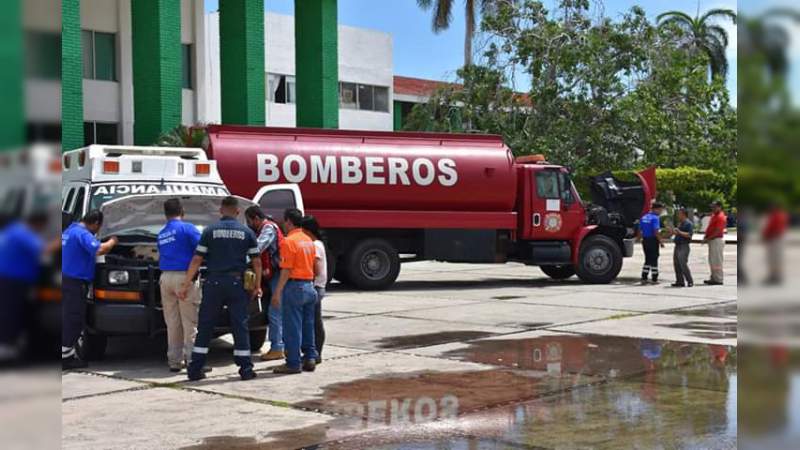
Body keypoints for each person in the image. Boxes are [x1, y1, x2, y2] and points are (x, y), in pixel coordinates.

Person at [179, 197, 261, 381]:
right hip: (237, 284)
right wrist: (257, 286)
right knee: (240, 325)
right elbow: (256, 262)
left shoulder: (209, 231)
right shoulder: (247, 232)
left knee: (205, 325)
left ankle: (195, 369)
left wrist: (186, 283)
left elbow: (197, 259)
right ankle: (246, 369)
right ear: (238, 212)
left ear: (221, 211)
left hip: (213, 283)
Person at [61, 211, 118, 370]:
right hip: (74, 282)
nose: (97, 231)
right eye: (98, 228)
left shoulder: (69, 230)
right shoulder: (82, 234)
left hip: (66, 279)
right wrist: (113, 240)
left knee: (69, 317)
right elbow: (99, 249)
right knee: (74, 319)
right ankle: (65, 357)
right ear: (95, 223)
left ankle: (67, 354)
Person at [0, 212, 58, 362]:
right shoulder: (24, 233)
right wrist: (60, 241)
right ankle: (6, 346)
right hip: (13, 280)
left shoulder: (12, 229)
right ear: (38, 224)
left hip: (7, 278)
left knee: (8, 311)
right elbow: (43, 250)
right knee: (11, 312)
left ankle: (9, 344)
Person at [157, 198, 202, 372]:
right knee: (189, 321)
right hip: (184, 278)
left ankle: (175, 361)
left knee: (173, 322)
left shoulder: (162, 233)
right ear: (182, 211)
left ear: (165, 214)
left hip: (165, 278)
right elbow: (201, 252)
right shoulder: (188, 228)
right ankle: (193, 360)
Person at [271, 208, 318, 374]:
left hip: (294, 287)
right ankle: (310, 357)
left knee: (292, 328)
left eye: (284, 221)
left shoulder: (288, 241)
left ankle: (293, 363)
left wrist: (277, 292)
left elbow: (286, 270)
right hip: (309, 286)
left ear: (289, 222)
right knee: (308, 325)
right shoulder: (308, 240)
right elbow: (315, 266)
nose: (283, 224)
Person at [244, 206, 285, 361]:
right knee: (275, 311)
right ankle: (281, 346)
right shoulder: (264, 228)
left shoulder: (268, 229)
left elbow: (258, 248)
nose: (249, 225)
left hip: (278, 274)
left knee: (275, 311)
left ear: (256, 218)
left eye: (249, 221)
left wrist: (240, 261)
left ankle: (277, 348)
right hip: (273, 274)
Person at [301, 215, 327, 364]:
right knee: (314, 320)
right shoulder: (318, 243)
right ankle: (315, 351)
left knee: (313, 321)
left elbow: (315, 267)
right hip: (318, 286)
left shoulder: (315, 245)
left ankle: (316, 352)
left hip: (315, 286)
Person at [638, 202, 665, 284]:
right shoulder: (655, 218)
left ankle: (644, 276)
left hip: (645, 240)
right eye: (660, 210)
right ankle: (654, 278)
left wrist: (639, 238)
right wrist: (661, 241)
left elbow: (639, 230)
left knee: (647, 259)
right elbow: (656, 231)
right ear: (656, 209)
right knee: (654, 258)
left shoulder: (644, 217)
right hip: (653, 240)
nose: (661, 212)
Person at [762, 203, 789, 285]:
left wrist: (767, 235)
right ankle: (775, 276)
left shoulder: (777, 215)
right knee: (774, 259)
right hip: (775, 238)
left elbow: (774, 228)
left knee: (774, 259)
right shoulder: (777, 215)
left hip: (775, 238)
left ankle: (775, 277)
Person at [703, 201, 727, 285]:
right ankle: (713, 277)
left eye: (714, 207)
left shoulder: (720, 217)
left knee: (717, 261)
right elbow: (710, 228)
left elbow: (717, 231)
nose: (712, 208)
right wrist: (706, 237)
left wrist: (707, 238)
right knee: (712, 260)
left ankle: (718, 279)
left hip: (716, 240)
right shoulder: (714, 216)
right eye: (712, 207)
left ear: (719, 207)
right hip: (712, 240)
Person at [670, 208, 694, 288]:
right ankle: (679, 281)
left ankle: (689, 281)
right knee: (676, 264)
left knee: (683, 264)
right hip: (677, 245)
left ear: (684, 214)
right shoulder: (680, 223)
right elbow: (678, 233)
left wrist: (679, 232)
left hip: (684, 245)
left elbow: (689, 235)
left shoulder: (688, 223)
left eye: (679, 214)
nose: (678, 215)